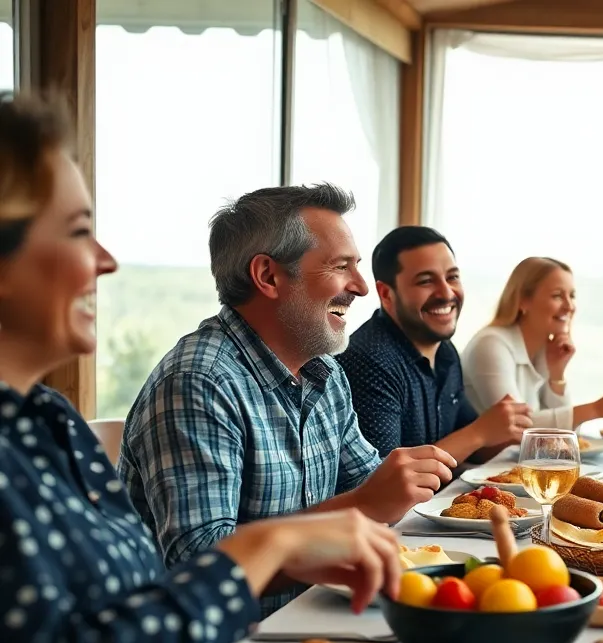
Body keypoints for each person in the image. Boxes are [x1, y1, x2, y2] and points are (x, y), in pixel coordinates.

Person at [0, 92, 404, 643]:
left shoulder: (48, 422)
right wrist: (272, 545)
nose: (106, 261)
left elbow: (137, 605)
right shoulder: (199, 378)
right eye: (75, 231)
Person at [120, 184, 456, 616]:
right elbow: (198, 568)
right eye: (340, 266)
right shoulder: (199, 382)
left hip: (311, 618)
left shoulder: (325, 372)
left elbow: (373, 491)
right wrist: (364, 504)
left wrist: (395, 487)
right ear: (268, 277)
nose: (361, 287)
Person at [337, 226, 532, 460]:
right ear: (387, 294)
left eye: (452, 277)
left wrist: (512, 432)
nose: (447, 292)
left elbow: (470, 447)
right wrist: (480, 433)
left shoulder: (445, 352)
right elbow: (382, 479)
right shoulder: (368, 360)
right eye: (426, 281)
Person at [461, 257, 603, 429]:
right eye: (557, 296)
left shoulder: (543, 348)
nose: (569, 306)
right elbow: (516, 426)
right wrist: (596, 409)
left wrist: (557, 375)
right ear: (523, 301)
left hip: (520, 460)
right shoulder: (490, 345)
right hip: (486, 463)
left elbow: (563, 432)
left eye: (571, 296)